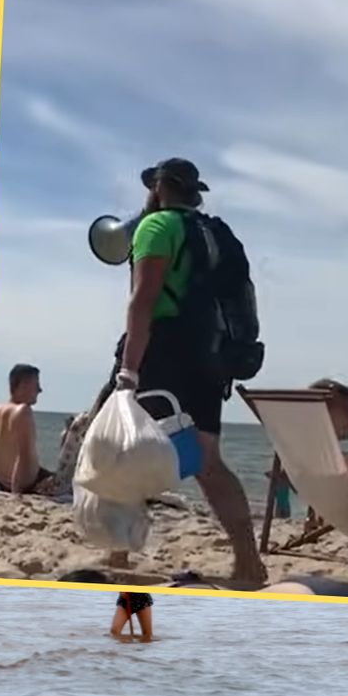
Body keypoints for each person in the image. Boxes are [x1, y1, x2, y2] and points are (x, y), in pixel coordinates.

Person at [108, 157, 266, 585]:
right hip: (212, 354)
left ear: (159, 187)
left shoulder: (156, 228)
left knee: (127, 449)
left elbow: (143, 300)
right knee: (208, 461)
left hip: (165, 351)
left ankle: (119, 560)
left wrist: (128, 371)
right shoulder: (213, 233)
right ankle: (249, 562)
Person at [0, 364, 55, 494]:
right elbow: (23, 456)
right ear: (25, 385)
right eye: (36, 385)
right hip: (26, 484)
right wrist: (16, 491)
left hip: (0, 480)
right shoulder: (22, 412)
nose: (40, 390)